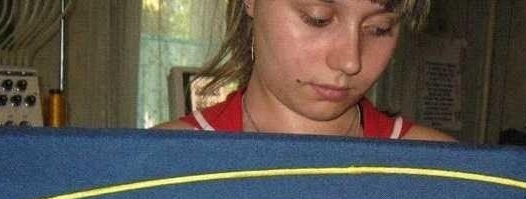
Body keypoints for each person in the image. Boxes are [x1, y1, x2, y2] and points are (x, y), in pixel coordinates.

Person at [156, 0, 456, 142]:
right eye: (318, 19)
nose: (350, 61)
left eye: (380, 28)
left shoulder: (442, 168)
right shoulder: (156, 162)